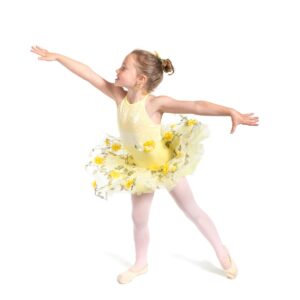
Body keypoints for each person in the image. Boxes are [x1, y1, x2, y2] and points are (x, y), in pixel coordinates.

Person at [30, 45, 259, 284]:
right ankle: (140, 264)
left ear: (140, 79)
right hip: (140, 170)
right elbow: (89, 74)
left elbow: (196, 105)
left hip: (166, 167)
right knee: (139, 219)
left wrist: (229, 111)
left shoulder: (155, 104)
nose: (117, 70)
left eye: (123, 67)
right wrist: (58, 57)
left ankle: (221, 250)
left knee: (192, 210)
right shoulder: (120, 96)